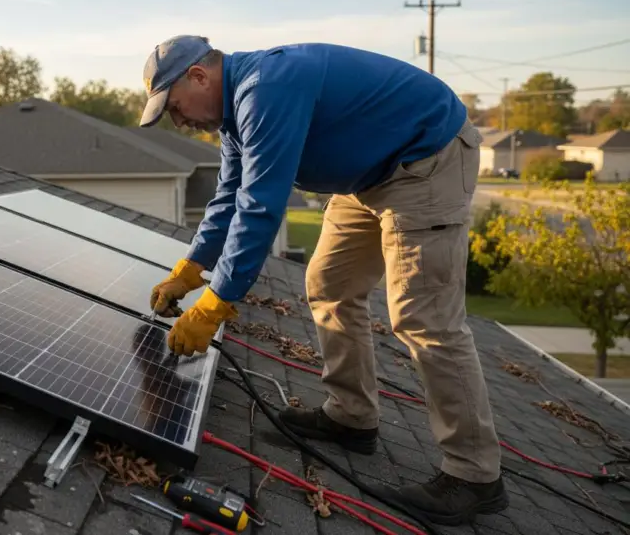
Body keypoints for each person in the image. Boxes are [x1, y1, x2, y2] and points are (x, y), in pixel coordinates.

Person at [141, 35, 507, 526]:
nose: (178, 120)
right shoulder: (232, 118)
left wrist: (213, 305)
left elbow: (260, 209)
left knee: (425, 318)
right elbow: (228, 197)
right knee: (328, 284)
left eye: (174, 107)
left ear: (199, 76)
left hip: (425, 160)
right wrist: (188, 272)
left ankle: (474, 475)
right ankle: (352, 416)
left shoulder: (266, 89)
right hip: (368, 176)